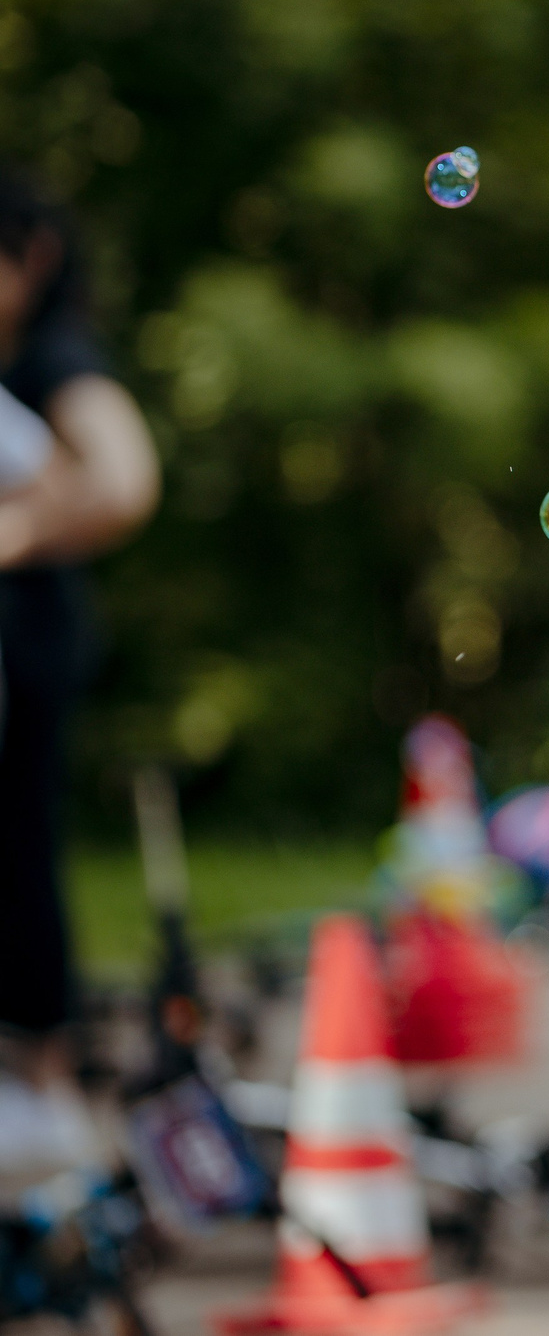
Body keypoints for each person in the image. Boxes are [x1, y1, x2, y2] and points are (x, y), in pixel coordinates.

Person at [0, 167, 162, 1173]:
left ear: (35, 257)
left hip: (27, 659)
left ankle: (38, 1093)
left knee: (19, 852)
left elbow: (124, 480)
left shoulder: (56, 360)